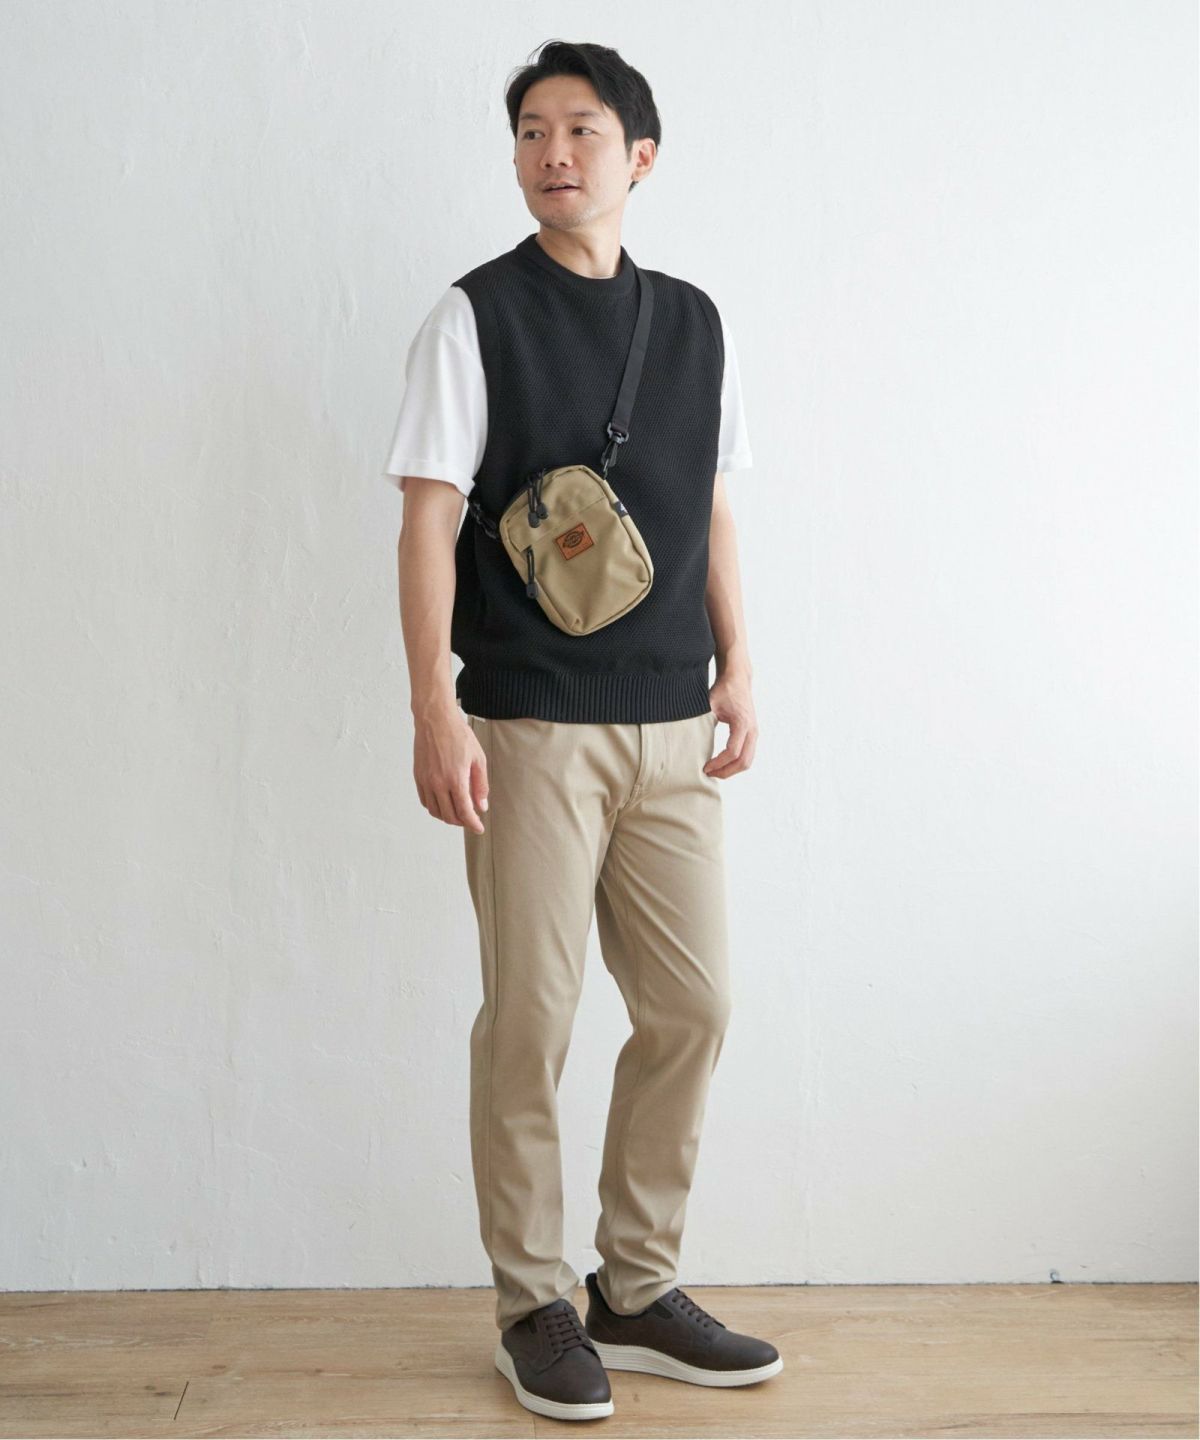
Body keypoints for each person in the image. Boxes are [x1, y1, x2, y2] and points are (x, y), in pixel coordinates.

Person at [382, 39, 781, 1423]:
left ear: (640, 157)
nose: (553, 153)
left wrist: (740, 663)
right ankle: (532, 1305)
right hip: (531, 724)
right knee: (532, 1020)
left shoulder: (697, 325)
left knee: (694, 1007)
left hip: (674, 722)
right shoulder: (475, 317)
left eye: (583, 129)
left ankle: (636, 1286)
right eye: (532, 132)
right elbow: (427, 519)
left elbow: (710, 505)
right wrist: (435, 705)